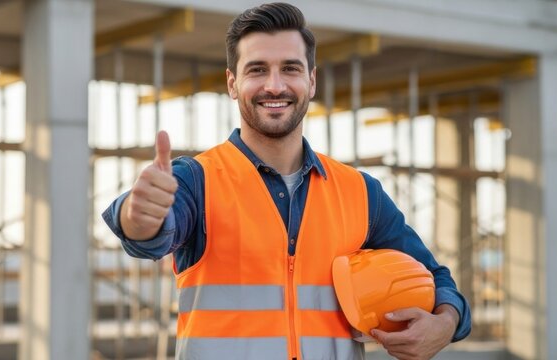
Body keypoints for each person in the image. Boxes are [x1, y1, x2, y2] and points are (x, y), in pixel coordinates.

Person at [102, 3, 471, 359]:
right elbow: (150, 231)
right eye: (257, 70)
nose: (274, 86)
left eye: (290, 69)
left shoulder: (360, 192)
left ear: (311, 81)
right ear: (233, 83)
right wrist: (138, 216)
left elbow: (436, 280)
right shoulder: (197, 181)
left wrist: (446, 323)